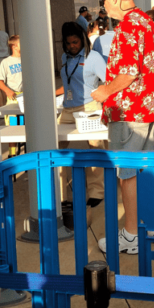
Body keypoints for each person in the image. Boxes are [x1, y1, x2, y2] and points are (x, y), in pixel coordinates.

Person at [92, 0, 154, 256]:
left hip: (130, 112)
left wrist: (105, 92)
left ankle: (132, 234)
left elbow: (128, 71)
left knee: (128, 173)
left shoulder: (128, 27)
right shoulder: (147, 23)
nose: (104, 8)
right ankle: (148, 224)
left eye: (104, 1)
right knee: (144, 169)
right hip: (149, 109)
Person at [55, 22, 107, 208]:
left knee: (95, 149)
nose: (72, 46)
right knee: (56, 150)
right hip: (68, 109)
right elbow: (70, 82)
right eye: (68, 43)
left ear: (83, 39)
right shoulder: (64, 57)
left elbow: (108, 81)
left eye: (75, 42)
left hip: (90, 107)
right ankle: (59, 193)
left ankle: (97, 192)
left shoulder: (93, 57)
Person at [0, 35, 22, 156]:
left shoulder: (28, 59)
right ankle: (12, 154)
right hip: (13, 100)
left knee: (26, 127)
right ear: (14, 46)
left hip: (27, 99)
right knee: (13, 128)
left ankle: (28, 154)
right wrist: (7, 90)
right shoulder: (6, 62)